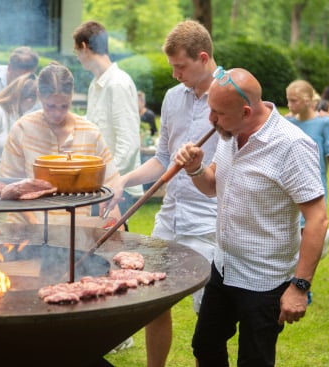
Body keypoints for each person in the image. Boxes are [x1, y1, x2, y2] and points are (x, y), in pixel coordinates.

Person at [174, 68, 328, 367]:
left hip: (265, 280)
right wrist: (195, 168)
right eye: (211, 110)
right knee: (205, 345)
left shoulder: (292, 146)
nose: (211, 120)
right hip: (224, 267)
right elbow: (211, 186)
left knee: (254, 361)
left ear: (246, 111)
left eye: (218, 113)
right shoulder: (230, 133)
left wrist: (299, 287)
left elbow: (318, 220)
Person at [106, 20, 220, 367]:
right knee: (153, 302)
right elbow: (163, 160)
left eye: (180, 67)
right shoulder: (174, 97)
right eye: (172, 67)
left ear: (203, 58)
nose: (175, 75)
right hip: (169, 216)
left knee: (209, 320)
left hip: (210, 221)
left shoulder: (229, 93)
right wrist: (125, 179)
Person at [0, 62, 121, 225]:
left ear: (72, 96)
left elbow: (111, 184)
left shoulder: (90, 132)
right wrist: (34, 222)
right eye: (50, 106)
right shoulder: (22, 129)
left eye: (64, 106)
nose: (57, 113)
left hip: (74, 231)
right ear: (39, 95)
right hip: (26, 230)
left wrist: (116, 227)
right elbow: (9, 186)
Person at [72, 21, 143, 218]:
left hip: (119, 186)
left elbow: (129, 145)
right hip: (100, 184)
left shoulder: (118, 83)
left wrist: (107, 180)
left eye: (76, 50)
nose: (77, 57)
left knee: (111, 246)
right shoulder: (96, 84)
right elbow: (93, 127)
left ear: (84, 47)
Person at [285, 79, 329, 258]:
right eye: (288, 100)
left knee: (310, 233)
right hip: (290, 185)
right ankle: (295, 282)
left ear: (307, 101)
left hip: (315, 185)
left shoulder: (324, 123)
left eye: (294, 100)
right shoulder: (287, 123)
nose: (289, 105)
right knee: (292, 234)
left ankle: (303, 283)